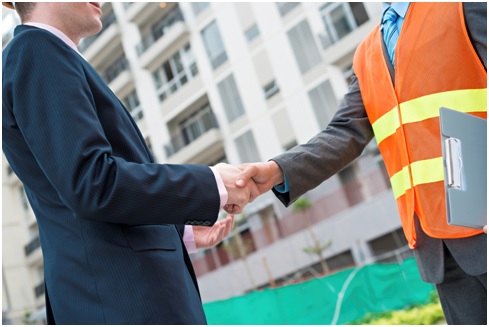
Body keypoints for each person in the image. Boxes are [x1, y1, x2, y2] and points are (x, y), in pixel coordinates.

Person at [235, 2, 487, 325]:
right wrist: (276, 171)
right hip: (438, 248)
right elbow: (344, 133)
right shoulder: (367, 54)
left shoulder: (462, 6)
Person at [2, 2, 253, 324]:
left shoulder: (46, 55)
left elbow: (81, 185)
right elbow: (93, 183)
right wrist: (212, 183)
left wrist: (179, 232)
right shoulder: (37, 51)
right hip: (120, 301)